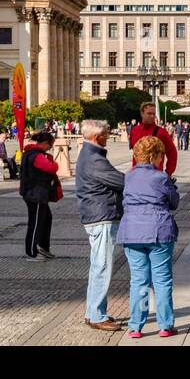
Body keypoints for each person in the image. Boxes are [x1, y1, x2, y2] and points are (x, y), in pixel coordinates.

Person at [119, 136, 179, 339]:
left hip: (132, 232)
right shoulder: (161, 178)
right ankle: (165, 325)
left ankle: (136, 326)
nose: (162, 159)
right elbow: (173, 203)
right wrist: (172, 186)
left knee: (139, 281)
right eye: (161, 155)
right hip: (158, 232)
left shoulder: (128, 176)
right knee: (162, 281)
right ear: (154, 156)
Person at [75, 119, 125, 332]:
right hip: (101, 217)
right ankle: (97, 315)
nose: (108, 136)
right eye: (106, 133)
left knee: (99, 266)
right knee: (102, 267)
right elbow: (121, 181)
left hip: (98, 216)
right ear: (97, 136)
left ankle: (93, 312)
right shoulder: (94, 159)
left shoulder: (90, 154)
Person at [20, 131, 61, 260]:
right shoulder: (36, 156)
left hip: (35, 193)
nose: (50, 148)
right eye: (50, 145)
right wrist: (55, 164)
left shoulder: (30, 153)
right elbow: (51, 168)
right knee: (36, 222)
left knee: (46, 218)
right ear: (44, 143)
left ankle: (42, 247)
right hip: (35, 193)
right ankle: (33, 251)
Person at [128, 102, 177, 176]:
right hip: (137, 174)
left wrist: (168, 173)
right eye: (149, 113)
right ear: (142, 113)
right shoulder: (135, 130)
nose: (152, 116)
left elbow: (172, 152)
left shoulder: (161, 132)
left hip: (154, 176)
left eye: (154, 114)